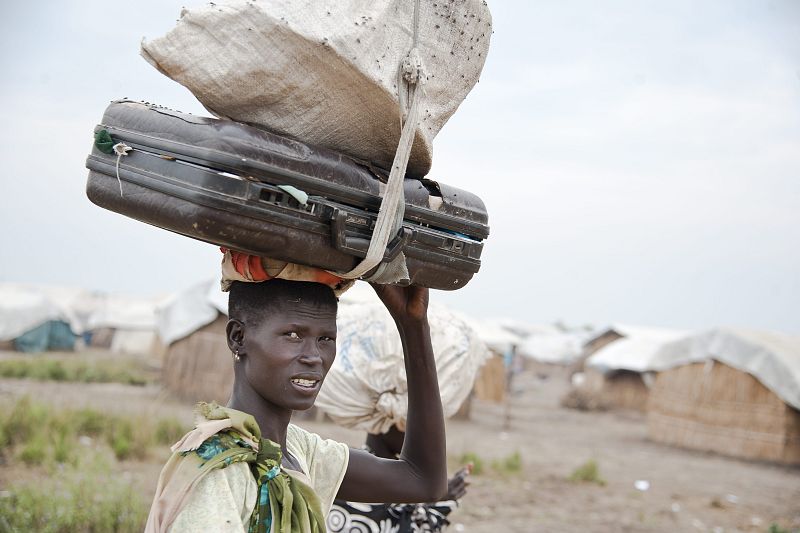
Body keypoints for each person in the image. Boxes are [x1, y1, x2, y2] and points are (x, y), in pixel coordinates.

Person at [145, 278, 446, 532]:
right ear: (238, 338)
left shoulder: (298, 451)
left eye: (326, 338)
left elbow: (423, 481)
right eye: (292, 335)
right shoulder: (217, 474)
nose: (314, 356)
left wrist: (412, 324)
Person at [328, 425, 471, 533]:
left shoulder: (409, 484)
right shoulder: (344, 472)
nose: (427, 431)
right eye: (417, 422)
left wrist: (438, 502)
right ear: (385, 420)